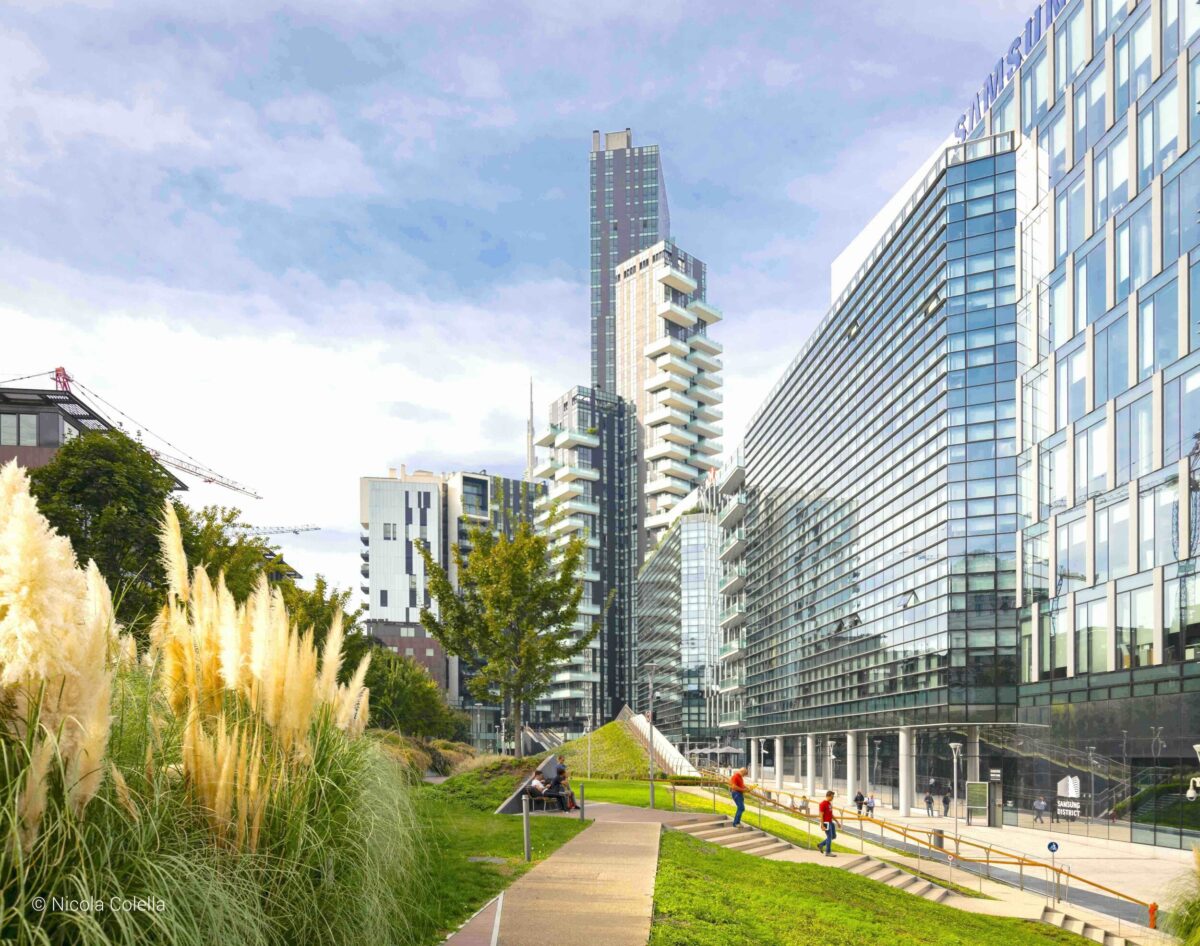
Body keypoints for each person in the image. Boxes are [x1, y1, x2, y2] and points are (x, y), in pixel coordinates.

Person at [817, 790, 838, 856]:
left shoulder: (829, 804)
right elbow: (821, 815)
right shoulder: (823, 804)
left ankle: (821, 844)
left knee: (833, 836)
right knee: (829, 836)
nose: (832, 798)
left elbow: (831, 814)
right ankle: (828, 852)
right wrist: (822, 825)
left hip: (831, 822)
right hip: (826, 823)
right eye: (832, 797)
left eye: (833, 797)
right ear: (828, 796)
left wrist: (837, 822)